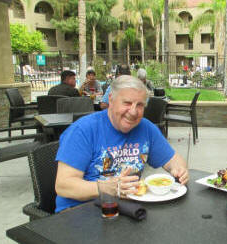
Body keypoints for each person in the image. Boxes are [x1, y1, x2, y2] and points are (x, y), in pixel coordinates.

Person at [55, 75, 189, 212]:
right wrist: (104, 188)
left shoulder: (146, 128)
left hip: (125, 210)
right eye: (127, 103)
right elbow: (63, 185)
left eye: (140, 105)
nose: (133, 112)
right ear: (111, 100)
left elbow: (174, 160)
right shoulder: (83, 130)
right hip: (78, 212)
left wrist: (178, 170)